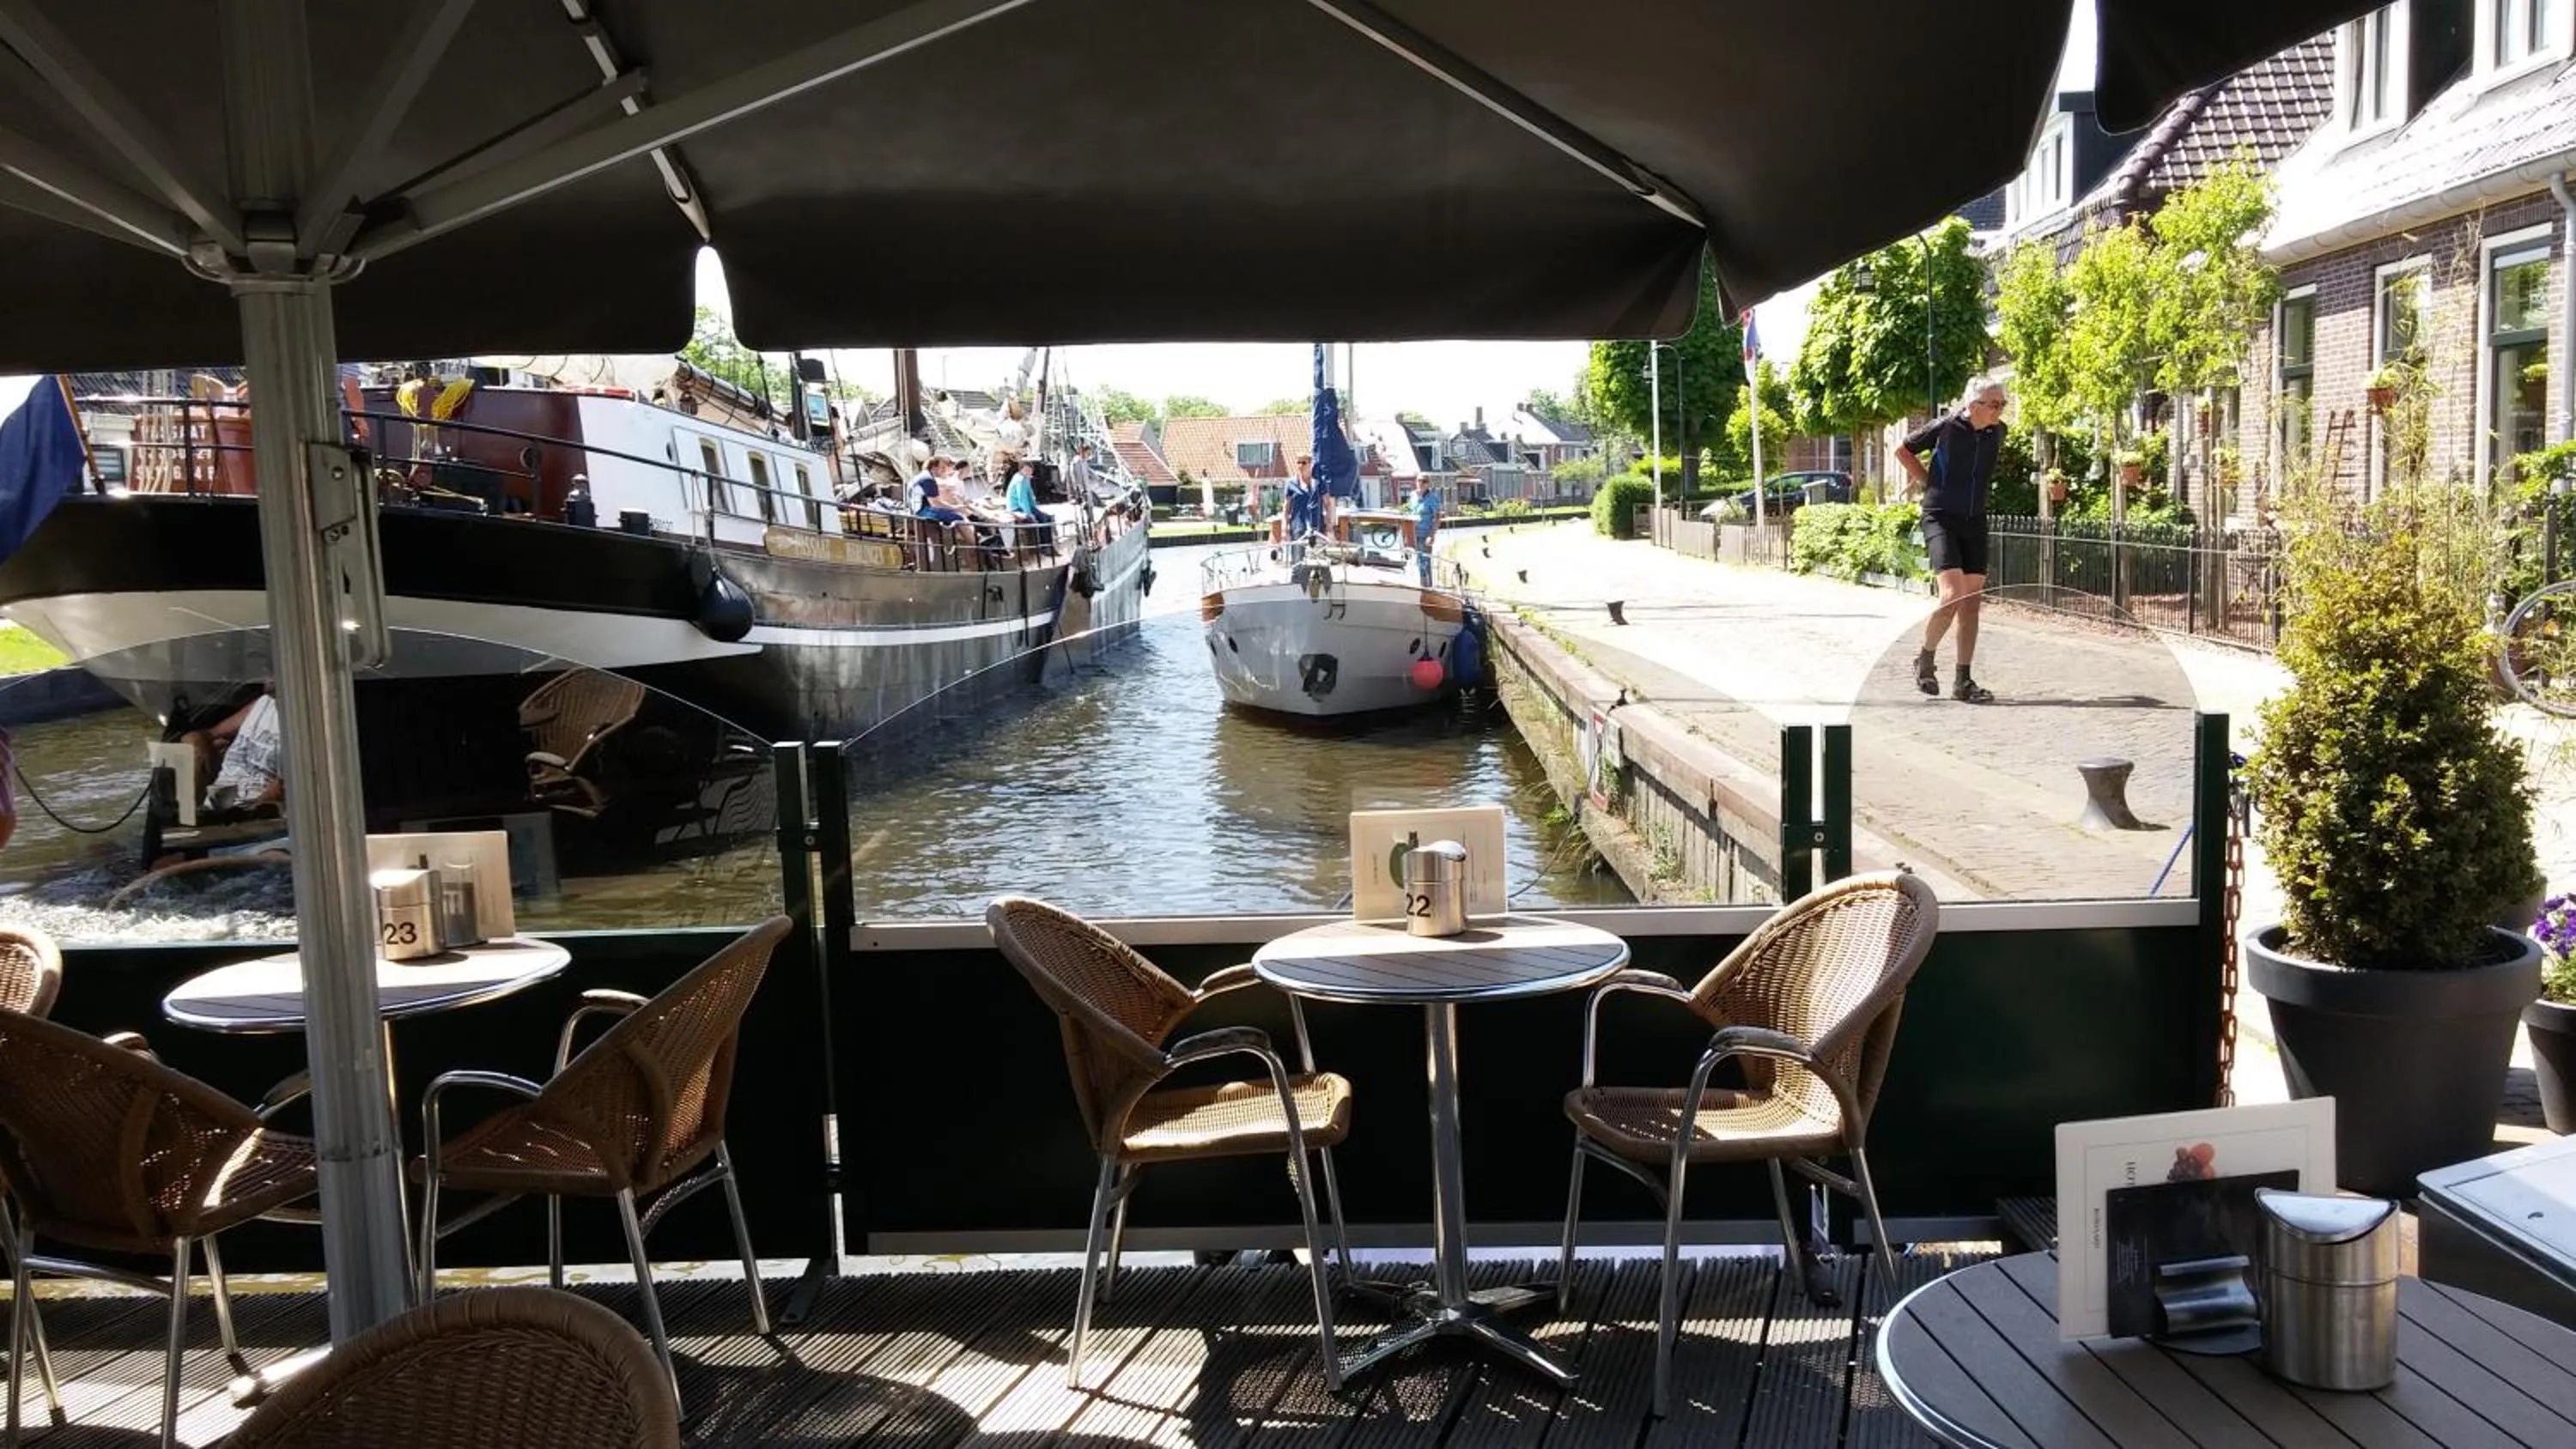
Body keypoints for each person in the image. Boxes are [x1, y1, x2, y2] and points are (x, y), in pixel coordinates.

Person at [1898, 376, 2009, 704]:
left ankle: (1963, 680)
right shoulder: (1945, 427)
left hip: (1974, 520)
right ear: (1973, 405)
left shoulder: (1997, 432)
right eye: (1994, 404)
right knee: (1951, 595)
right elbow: (1902, 450)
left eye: (2002, 404)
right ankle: (1926, 659)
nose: (1999, 410)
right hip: (1941, 516)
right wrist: (1929, 482)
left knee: (1972, 602)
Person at [911, 453, 965, 523]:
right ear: (934, 468)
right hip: (921, 511)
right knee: (958, 518)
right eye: (942, 468)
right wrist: (955, 508)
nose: (944, 470)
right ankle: (969, 534)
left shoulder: (923, 476)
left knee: (954, 513)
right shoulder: (928, 480)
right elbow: (936, 504)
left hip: (916, 508)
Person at [1283, 455, 1324, 539]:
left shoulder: (1318, 483)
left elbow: (1328, 504)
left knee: (1317, 551)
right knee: (1298, 552)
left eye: (1304, 463)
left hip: (1317, 529)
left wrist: (1330, 527)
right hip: (1298, 528)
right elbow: (1286, 509)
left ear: (1310, 465)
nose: (1300, 466)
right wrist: (1284, 529)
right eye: (1298, 463)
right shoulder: (1291, 484)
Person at [1412, 477, 1443, 585]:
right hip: (1413, 533)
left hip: (1425, 534)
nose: (1421, 483)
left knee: (1425, 561)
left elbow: (1437, 518)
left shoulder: (1433, 498)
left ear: (1428, 484)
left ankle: (1428, 587)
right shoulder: (1413, 496)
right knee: (1418, 561)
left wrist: (1432, 535)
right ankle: (1421, 587)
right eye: (1419, 481)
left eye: (1424, 481)